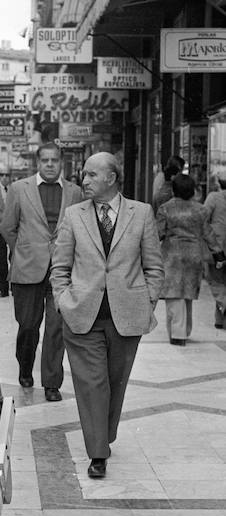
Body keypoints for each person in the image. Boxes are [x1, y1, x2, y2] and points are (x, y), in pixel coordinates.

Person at [50, 151, 164, 479]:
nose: (83, 180)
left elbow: (154, 265)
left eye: (90, 175)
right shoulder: (73, 215)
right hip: (81, 315)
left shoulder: (141, 214)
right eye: (84, 175)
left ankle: (104, 436)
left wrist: (148, 300)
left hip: (126, 317)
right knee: (91, 386)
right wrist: (62, 299)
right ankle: (97, 453)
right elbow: (60, 265)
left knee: (115, 384)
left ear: (111, 178)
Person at [1, 142, 82, 402]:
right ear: (38, 163)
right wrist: (23, 252)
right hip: (27, 270)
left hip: (61, 272)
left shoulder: (75, 193)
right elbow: (8, 228)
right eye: (45, 160)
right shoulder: (19, 189)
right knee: (28, 326)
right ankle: (25, 366)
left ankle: (51, 383)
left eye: (54, 160)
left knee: (56, 328)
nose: (50, 164)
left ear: (62, 163)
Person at [156, 174, 225, 346]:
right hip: (194, 255)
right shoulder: (200, 210)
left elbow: (158, 233)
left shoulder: (165, 208)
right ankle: (185, 330)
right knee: (187, 294)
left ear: (173, 190)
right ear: (193, 190)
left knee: (174, 294)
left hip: (172, 254)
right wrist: (218, 255)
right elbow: (208, 234)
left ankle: (178, 333)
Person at [204, 173, 226, 328]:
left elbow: (203, 218)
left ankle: (224, 304)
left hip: (217, 248)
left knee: (215, 281)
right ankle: (220, 320)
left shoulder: (213, 197)